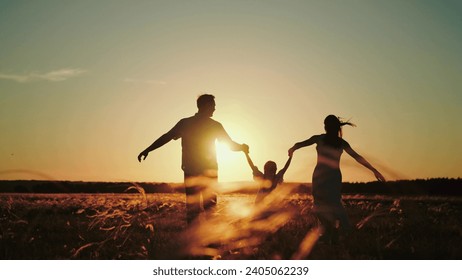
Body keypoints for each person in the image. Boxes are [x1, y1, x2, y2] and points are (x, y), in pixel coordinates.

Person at [138, 94, 248, 224]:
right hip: (208, 171)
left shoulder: (186, 123)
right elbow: (230, 146)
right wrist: (242, 147)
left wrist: (148, 149)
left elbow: (167, 137)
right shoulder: (213, 125)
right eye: (213, 106)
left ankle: (196, 239)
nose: (214, 109)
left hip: (191, 170)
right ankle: (207, 239)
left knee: (192, 209)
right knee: (210, 207)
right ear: (206, 106)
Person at [288, 115, 385, 243]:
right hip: (322, 176)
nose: (325, 127)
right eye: (324, 124)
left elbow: (357, 157)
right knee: (320, 205)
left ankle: (340, 230)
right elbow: (301, 143)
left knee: (332, 204)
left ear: (331, 126)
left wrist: (374, 170)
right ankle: (330, 231)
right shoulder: (321, 138)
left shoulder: (339, 142)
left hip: (330, 177)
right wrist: (293, 148)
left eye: (326, 125)